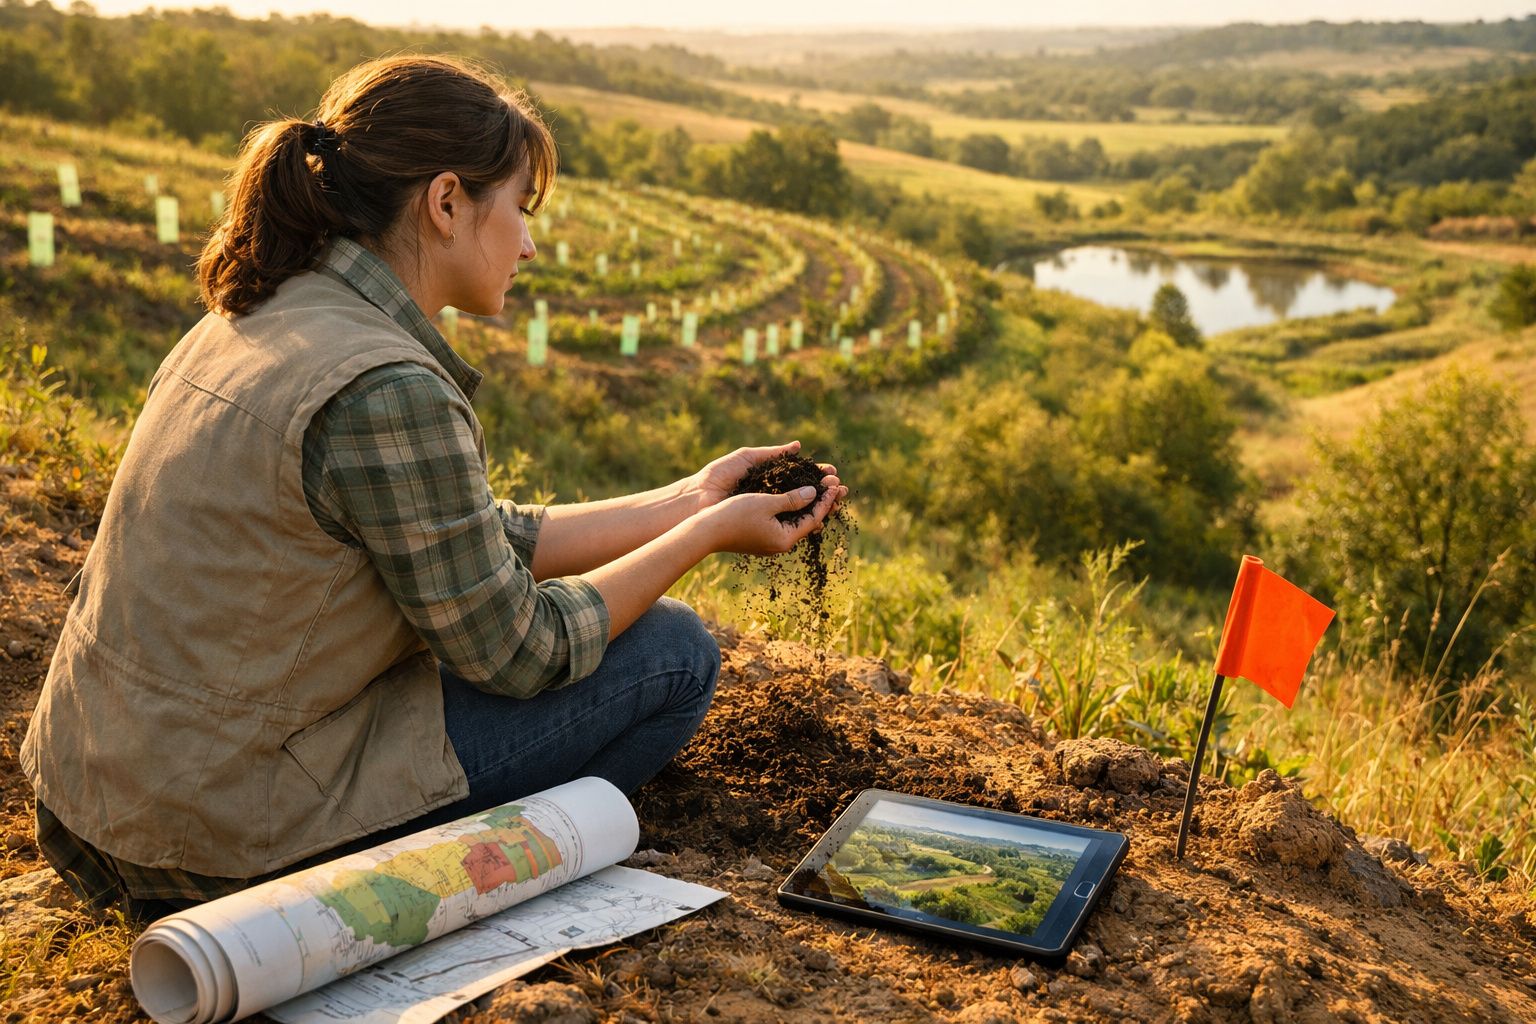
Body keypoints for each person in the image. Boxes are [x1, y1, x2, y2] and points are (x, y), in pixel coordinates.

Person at [21, 54, 845, 918]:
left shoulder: (263, 309)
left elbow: (468, 535)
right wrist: (704, 540)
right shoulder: (387, 385)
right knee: (673, 655)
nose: (529, 243)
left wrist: (690, 498)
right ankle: (456, 886)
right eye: (520, 210)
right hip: (212, 846)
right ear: (447, 202)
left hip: (95, 803)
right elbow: (521, 653)